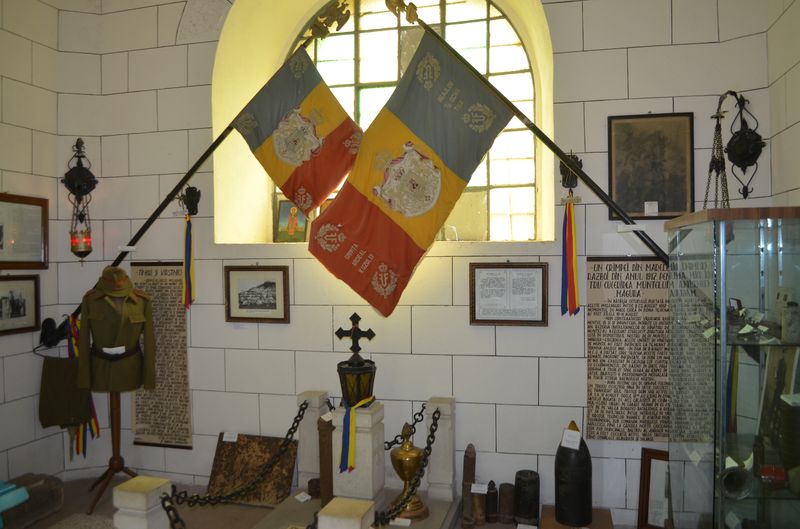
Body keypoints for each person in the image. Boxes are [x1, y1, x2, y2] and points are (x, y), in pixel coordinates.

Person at [77, 266, 155, 392]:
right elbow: (83, 340)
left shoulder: (142, 300)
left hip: (130, 369)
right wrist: (85, 378)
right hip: (100, 369)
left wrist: (149, 378)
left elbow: (149, 341)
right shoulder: (90, 299)